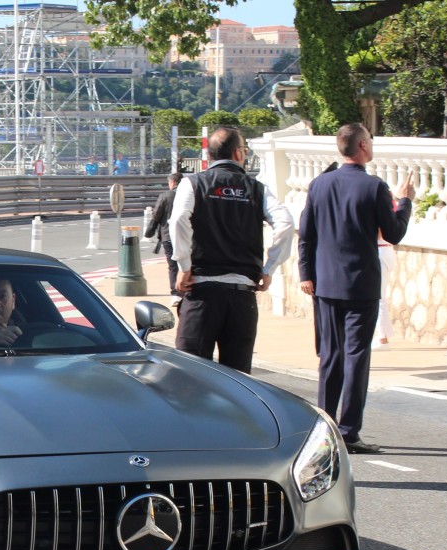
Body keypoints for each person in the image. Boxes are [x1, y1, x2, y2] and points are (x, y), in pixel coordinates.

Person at [298, 123, 414, 454]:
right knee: (356, 357)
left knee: (330, 356)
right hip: (361, 284)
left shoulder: (319, 184)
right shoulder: (374, 187)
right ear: (362, 146)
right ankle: (348, 431)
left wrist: (306, 272)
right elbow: (392, 233)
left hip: (326, 282)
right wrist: (405, 202)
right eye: (371, 142)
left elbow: (307, 234)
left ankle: (324, 427)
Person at [168, 126, 294, 374]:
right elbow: (286, 223)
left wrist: (184, 266)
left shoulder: (193, 183)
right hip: (241, 297)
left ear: (211, 154)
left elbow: (179, 219)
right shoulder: (257, 189)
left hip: (201, 292)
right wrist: (269, 269)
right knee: (238, 382)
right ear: (238, 153)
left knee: (189, 376)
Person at [144, 172, 183, 297]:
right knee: (186, 262)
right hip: (186, 236)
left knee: (173, 265)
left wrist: (150, 230)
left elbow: (157, 215)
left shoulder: (165, 196)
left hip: (168, 235)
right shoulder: (190, 195)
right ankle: (185, 289)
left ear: (172, 182)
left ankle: (175, 291)